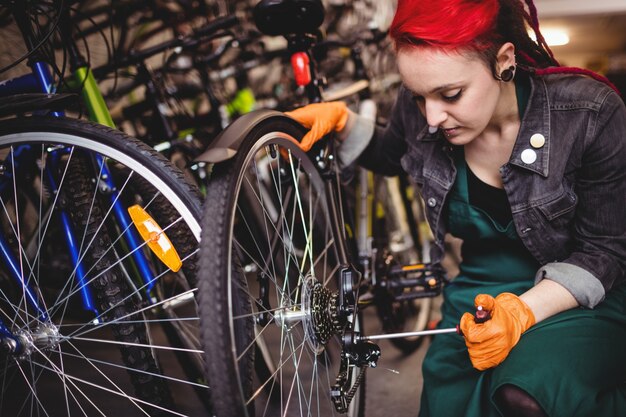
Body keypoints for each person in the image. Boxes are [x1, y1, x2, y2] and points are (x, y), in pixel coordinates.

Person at [284, 0, 626, 416]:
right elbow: (393, 153)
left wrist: (521, 312)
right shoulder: (424, 113)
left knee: (527, 393)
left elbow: (605, 251)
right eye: (419, 96)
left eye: (450, 94)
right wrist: (344, 120)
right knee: (449, 401)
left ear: (502, 62)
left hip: (581, 294)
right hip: (477, 292)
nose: (431, 117)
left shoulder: (589, 112)